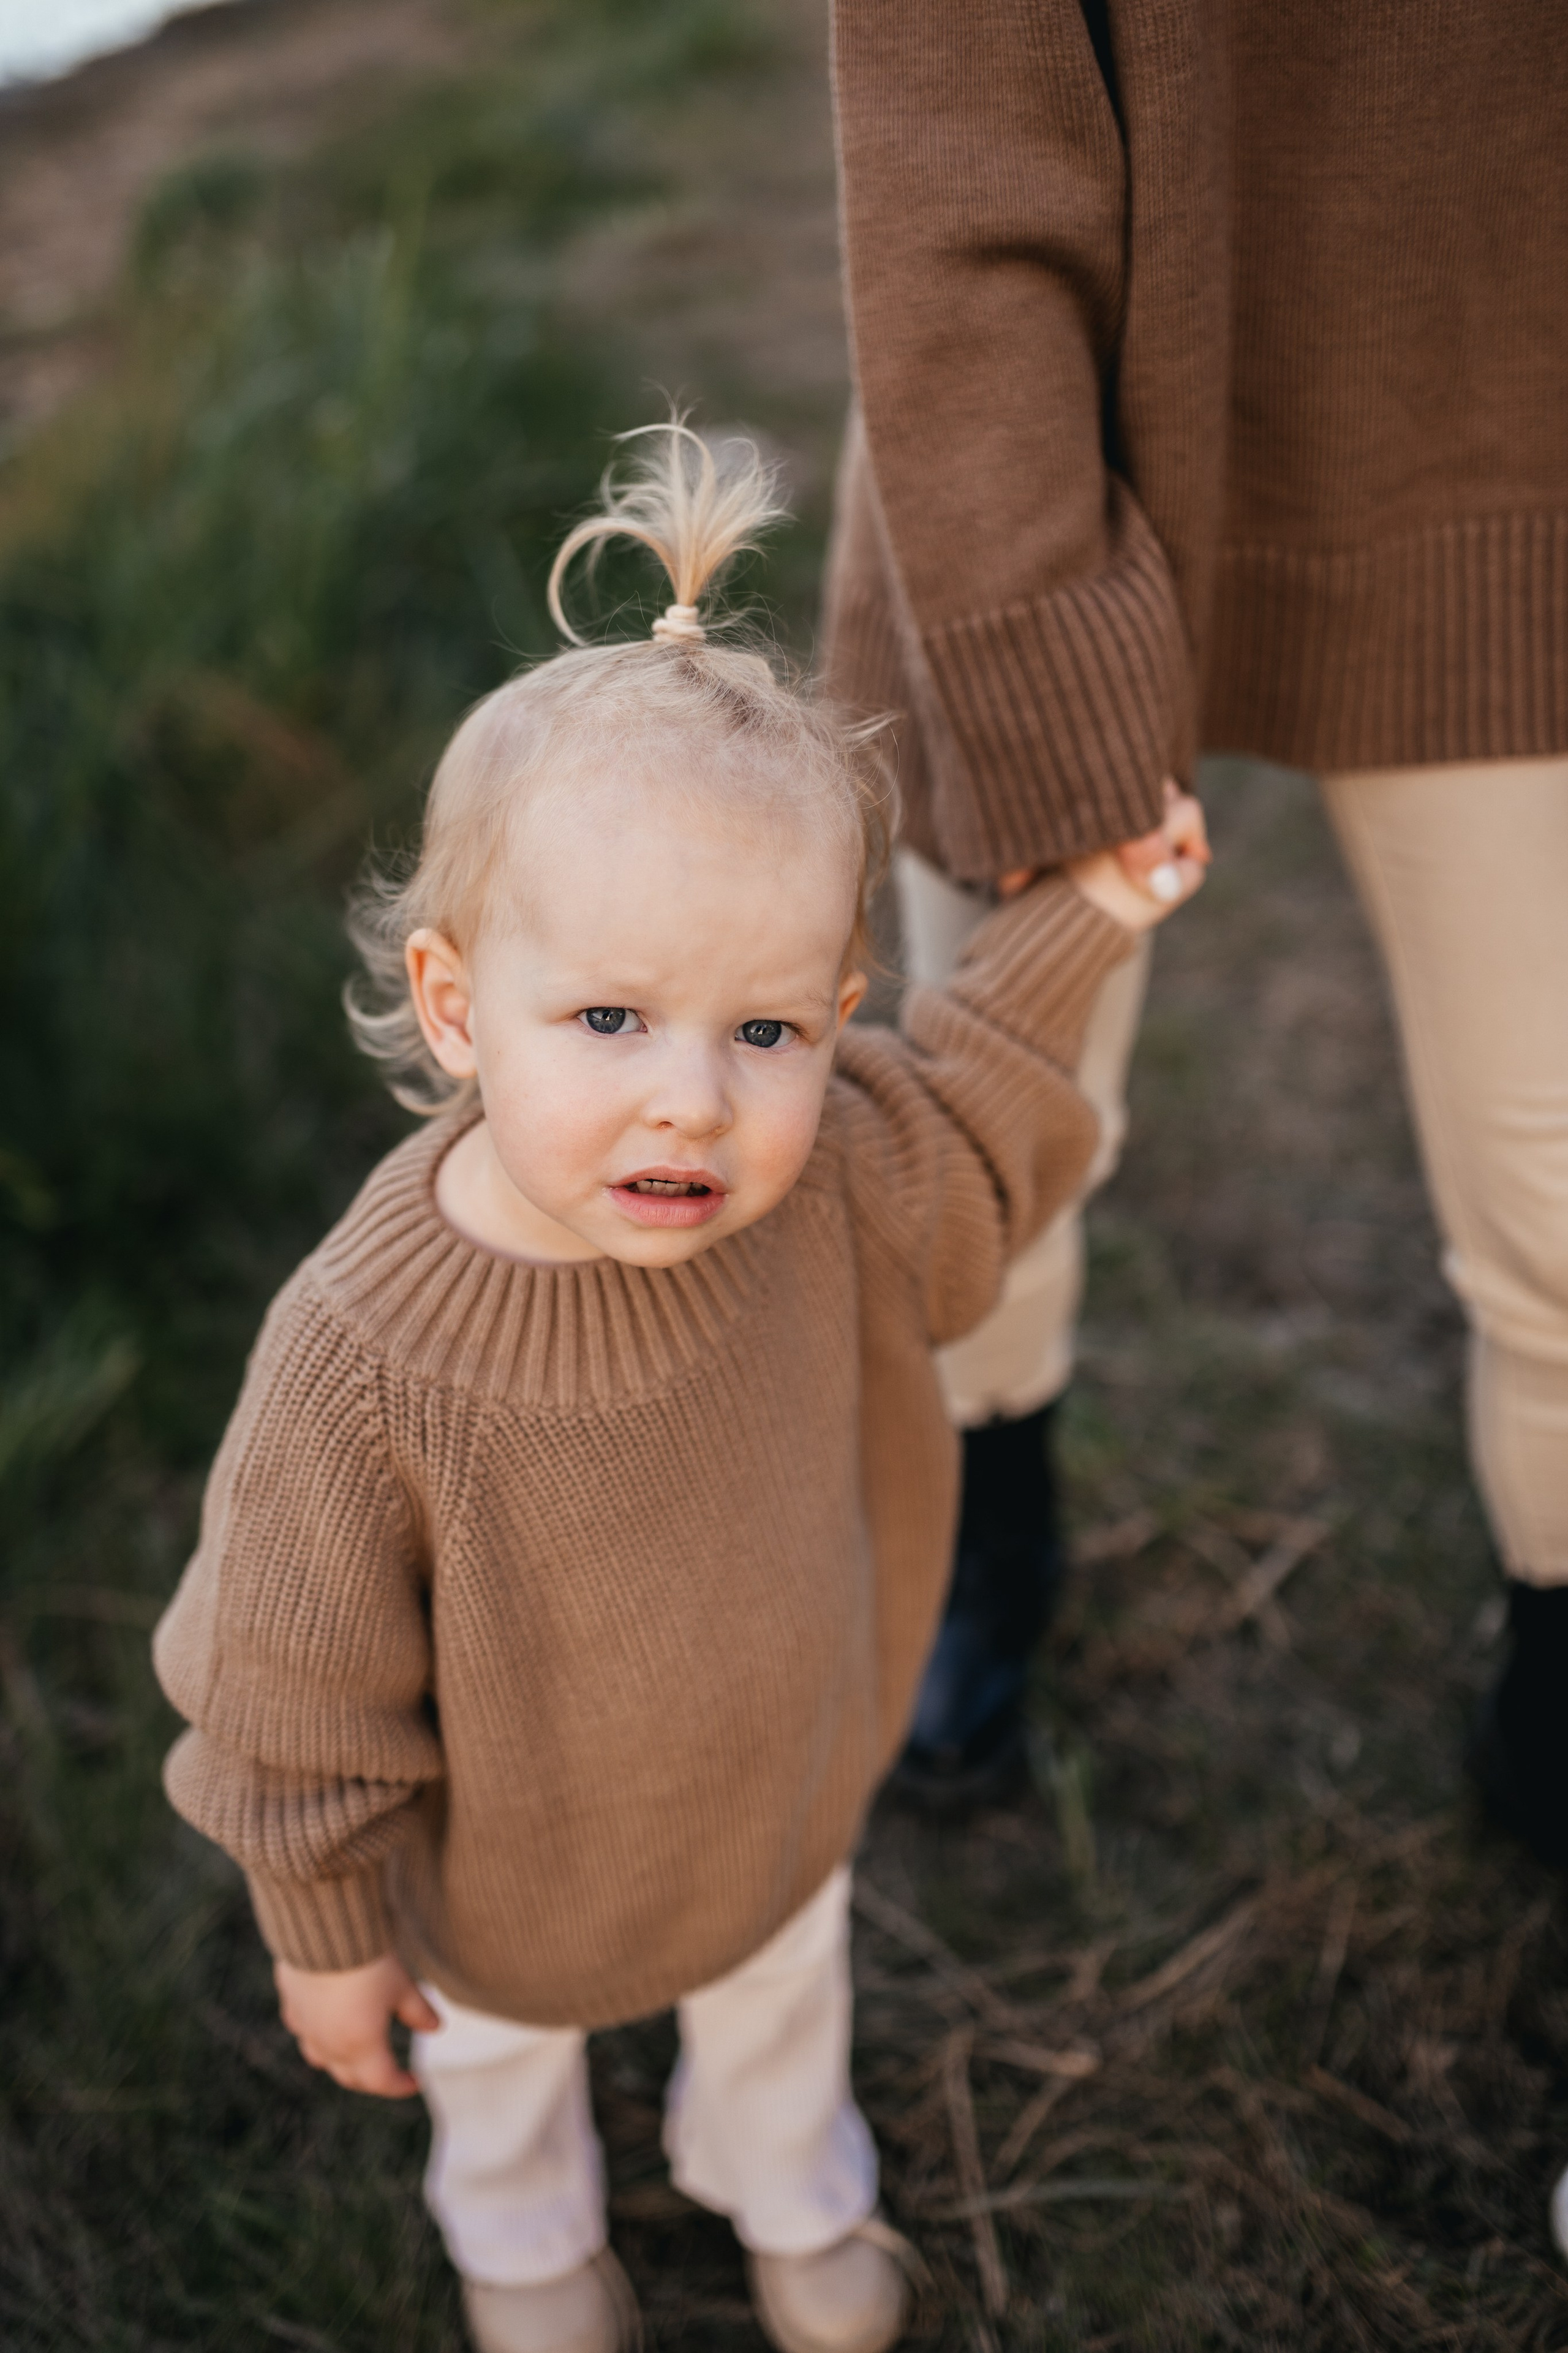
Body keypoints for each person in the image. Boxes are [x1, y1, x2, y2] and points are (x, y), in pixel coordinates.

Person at [151, 422, 1207, 2353]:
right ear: (461, 1002)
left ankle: (791, 2179)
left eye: (767, 1028)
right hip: (502, 1878)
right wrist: (326, 1938)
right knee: (493, 2064)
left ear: (835, 1016)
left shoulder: (831, 1184)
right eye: (614, 1016)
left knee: (784, 1994)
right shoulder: (365, 1352)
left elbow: (977, 1112)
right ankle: (531, 2243)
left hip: (774, 1786)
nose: (694, 1100)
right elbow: (285, 1691)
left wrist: (1096, 915)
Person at [822, 0, 1568, 1832]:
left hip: (1512, 453)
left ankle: (1559, 1630)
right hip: (1040, 452)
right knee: (981, 1126)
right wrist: (1035, 656)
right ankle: (983, 1524)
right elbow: (949, 153)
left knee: (1553, 1177)